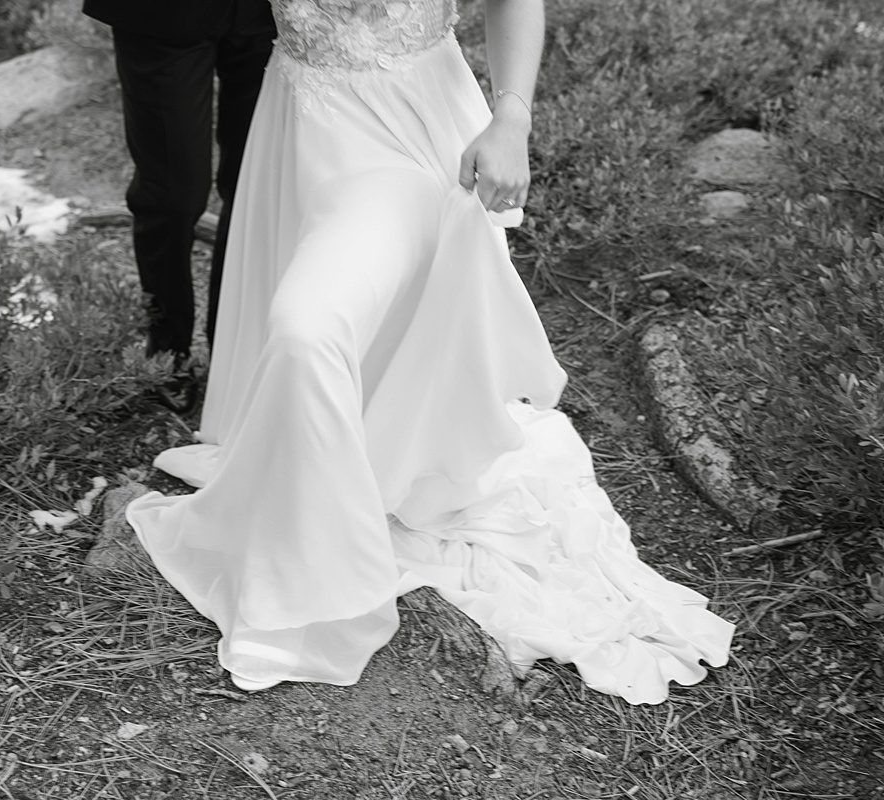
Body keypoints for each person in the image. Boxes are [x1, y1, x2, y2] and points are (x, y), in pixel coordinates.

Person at [125, 0, 735, 704]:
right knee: (345, 327)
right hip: (296, 130)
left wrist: (513, 118)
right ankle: (358, 458)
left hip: (411, 139)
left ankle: (314, 580)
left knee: (306, 329)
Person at [82, 0, 275, 408]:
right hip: (162, 13)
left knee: (254, 184)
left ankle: (233, 348)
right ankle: (167, 350)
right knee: (171, 193)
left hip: (271, 13)